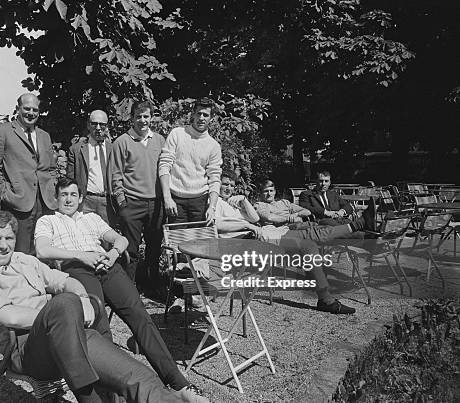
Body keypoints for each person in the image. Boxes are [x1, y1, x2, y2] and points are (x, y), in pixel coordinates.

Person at [0, 211, 191, 403]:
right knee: (65, 304)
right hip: (25, 350)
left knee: (138, 377)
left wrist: (81, 298)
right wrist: (65, 313)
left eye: (8, 239)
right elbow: (9, 316)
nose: (4, 246)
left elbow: (64, 280)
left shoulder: (24, 261)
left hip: (65, 332)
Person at [34, 177, 208, 402]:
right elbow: (43, 250)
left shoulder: (92, 219)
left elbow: (121, 239)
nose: (68, 199)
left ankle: (178, 384)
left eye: (73, 195)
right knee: (100, 327)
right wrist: (81, 255)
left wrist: (113, 253)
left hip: (107, 265)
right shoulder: (48, 221)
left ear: (80, 198)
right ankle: (112, 395)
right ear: (56, 198)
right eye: (64, 195)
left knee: (140, 316)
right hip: (77, 269)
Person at [214, 172, 378, 314]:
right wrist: (245, 225)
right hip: (246, 243)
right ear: (216, 185)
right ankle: (361, 226)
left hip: (266, 234)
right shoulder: (215, 203)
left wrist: (243, 199)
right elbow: (216, 225)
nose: (228, 188)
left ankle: (325, 299)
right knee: (311, 239)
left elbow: (254, 219)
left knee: (310, 242)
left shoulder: (234, 201)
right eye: (224, 184)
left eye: (231, 185)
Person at [0, 93, 58, 254]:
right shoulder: (2, 131)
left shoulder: (44, 136)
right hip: (18, 203)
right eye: (27, 108)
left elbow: (51, 167)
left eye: (35, 110)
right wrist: (5, 193)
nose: (31, 113)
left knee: (43, 250)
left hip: (45, 203)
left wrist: (52, 188)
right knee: (20, 252)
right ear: (18, 109)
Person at [109, 100, 165, 293]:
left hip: (156, 204)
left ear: (151, 118)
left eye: (146, 116)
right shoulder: (122, 142)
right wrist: (122, 203)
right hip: (132, 204)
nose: (142, 120)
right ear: (132, 118)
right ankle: (128, 289)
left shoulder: (159, 140)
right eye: (138, 117)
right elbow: (116, 174)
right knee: (131, 250)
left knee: (154, 248)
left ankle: (152, 285)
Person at [159, 97, 222, 224]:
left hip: (200, 202)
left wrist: (212, 207)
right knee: (177, 242)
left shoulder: (213, 146)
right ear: (193, 114)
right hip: (175, 201)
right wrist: (167, 198)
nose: (202, 118)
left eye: (206, 115)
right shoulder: (177, 134)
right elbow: (164, 165)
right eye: (199, 113)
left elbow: (214, 177)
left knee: (199, 243)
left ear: (211, 118)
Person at [66, 110, 115, 225]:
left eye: (102, 124)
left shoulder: (114, 149)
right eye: (94, 124)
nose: (98, 128)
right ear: (88, 125)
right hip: (86, 202)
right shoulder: (76, 150)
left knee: (106, 240)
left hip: (107, 202)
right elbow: (70, 179)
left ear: (107, 126)